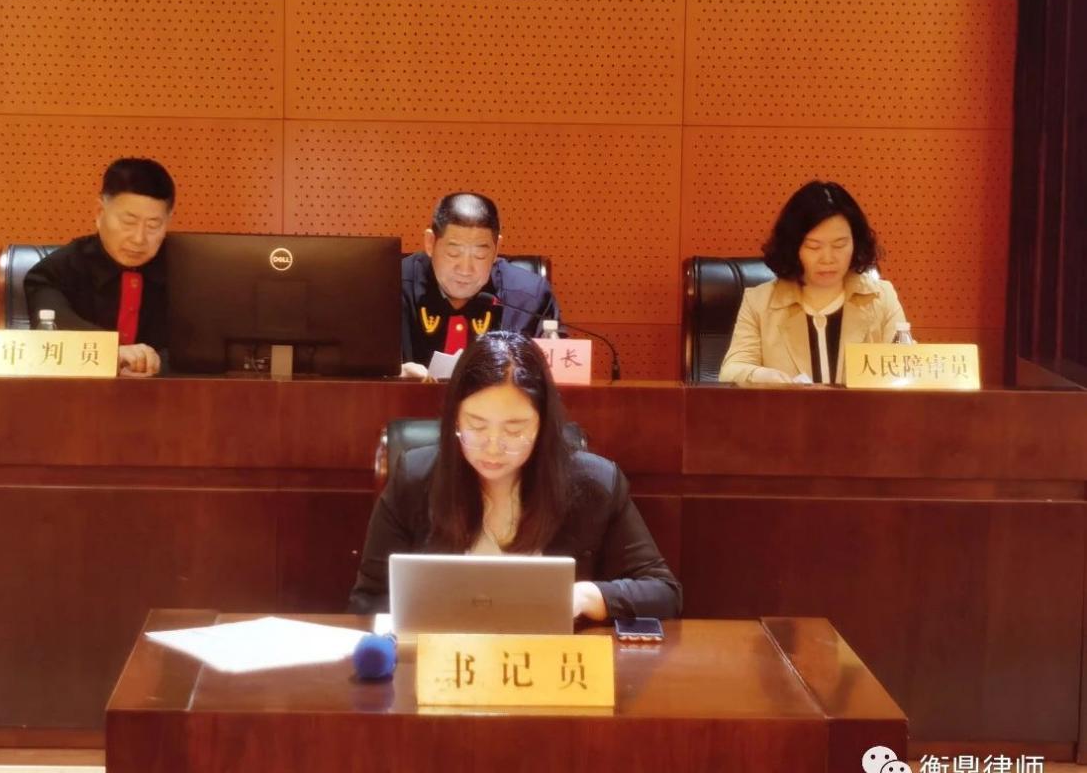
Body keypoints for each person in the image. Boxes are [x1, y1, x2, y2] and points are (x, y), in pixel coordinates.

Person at [349, 331, 681, 621]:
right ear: (454, 418)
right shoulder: (415, 478)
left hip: (543, 662)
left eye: (514, 429)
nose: (493, 447)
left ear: (543, 424)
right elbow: (368, 600)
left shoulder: (595, 483)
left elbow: (663, 591)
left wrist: (584, 596)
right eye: (476, 426)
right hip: (444, 661)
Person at [719, 180, 908, 385]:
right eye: (813, 247)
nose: (827, 258)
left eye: (839, 245)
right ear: (794, 247)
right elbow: (731, 370)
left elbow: (907, 369)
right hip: (787, 407)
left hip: (864, 408)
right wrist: (762, 377)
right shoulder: (759, 302)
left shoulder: (881, 297)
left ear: (856, 243)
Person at [24, 157, 174, 378]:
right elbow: (53, 330)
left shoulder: (188, 273)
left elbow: (201, 350)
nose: (139, 238)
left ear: (168, 222)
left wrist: (159, 363)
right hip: (79, 394)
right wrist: (110, 352)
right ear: (99, 212)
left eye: (153, 225)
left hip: (166, 396)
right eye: (129, 222)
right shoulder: (54, 272)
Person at [401, 192, 560, 377]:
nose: (465, 269)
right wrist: (394, 375)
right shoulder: (390, 287)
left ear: (496, 249)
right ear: (430, 243)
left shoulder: (530, 297)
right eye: (453, 253)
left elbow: (557, 377)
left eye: (480, 255)